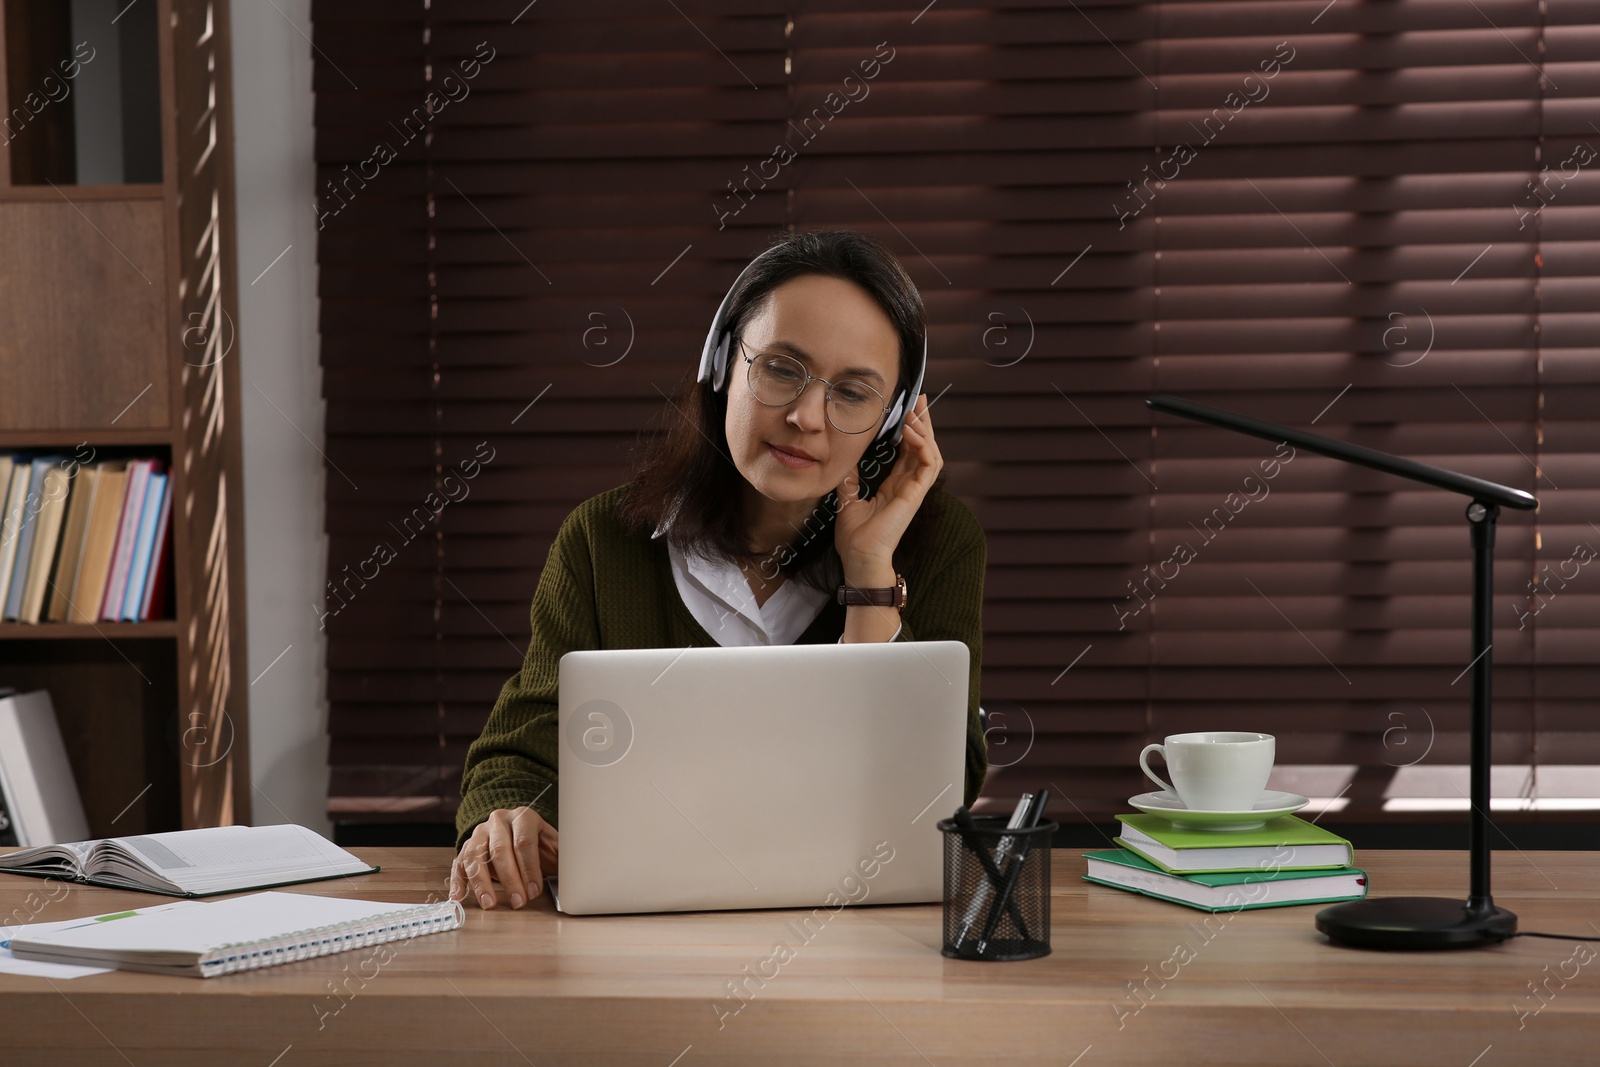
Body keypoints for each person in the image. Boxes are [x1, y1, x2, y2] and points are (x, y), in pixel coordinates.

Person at [449, 229, 988, 910]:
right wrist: (505, 820)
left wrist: (871, 575)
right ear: (722, 363)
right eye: (782, 369)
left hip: (855, 938)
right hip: (638, 940)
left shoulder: (940, 544)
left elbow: (941, 792)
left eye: (852, 393)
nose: (804, 417)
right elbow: (518, 755)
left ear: (888, 423)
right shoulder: (603, 540)